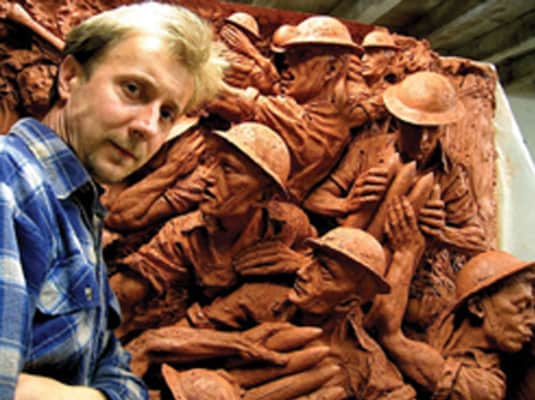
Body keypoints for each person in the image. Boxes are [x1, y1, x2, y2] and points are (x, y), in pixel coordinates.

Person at [0, 2, 224, 399]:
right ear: (70, 77)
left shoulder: (78, 211)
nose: (147, 127)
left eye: (167, 113)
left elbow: (119, 372)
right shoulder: (10, 181)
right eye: (133, 89)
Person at [130, 227, 416, 399]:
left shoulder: (363, 362)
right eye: (312, 260)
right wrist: (235, 345)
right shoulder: (262, 298)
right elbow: (172, 338)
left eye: (325, 272)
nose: (303, 272)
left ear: (346, 303)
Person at [110, 122, 316, 340]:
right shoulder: (185, 234)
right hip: (202, 330)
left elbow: (323, 274)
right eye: (211, 162)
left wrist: (299, 265)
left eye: (227, 169)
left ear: (264, 196)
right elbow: (123, 291)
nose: (208, 177)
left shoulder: (288, 226)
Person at [373, 196, 535, 399]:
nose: (532, 320)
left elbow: (389, 336)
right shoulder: (436, 312)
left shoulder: (487, 386)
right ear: (477, 307)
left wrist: (406, 252)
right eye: (521, 306)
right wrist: (430, 231)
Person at [207, 15, 368, 202]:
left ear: (331, 69)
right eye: (289, 56)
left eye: (301, 56)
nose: (287, 65)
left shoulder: (301, 121)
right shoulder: (337, 124)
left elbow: (221, 97)